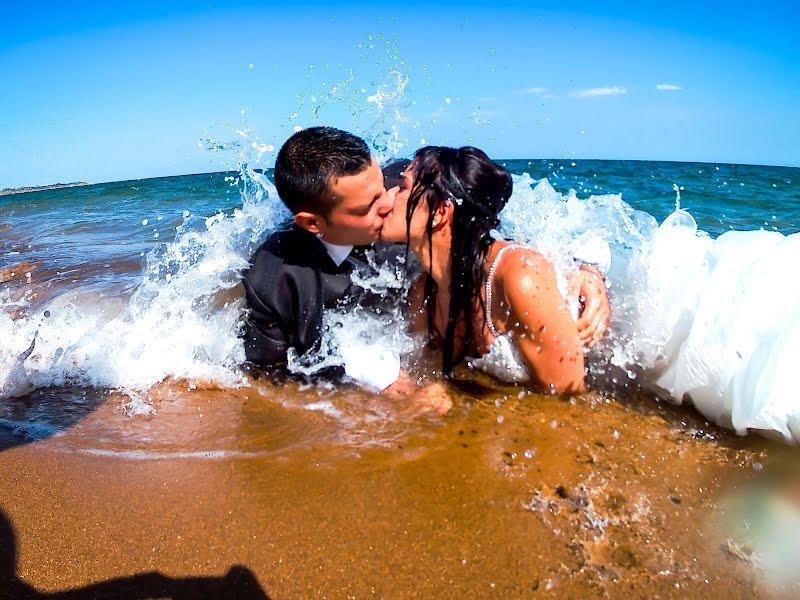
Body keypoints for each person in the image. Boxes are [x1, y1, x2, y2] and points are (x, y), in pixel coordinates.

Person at [242, 127, 608, 392]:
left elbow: (489, 225)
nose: (386, 200)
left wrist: (587, 270)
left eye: (386, 186)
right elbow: (270, 380)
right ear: (313, 223)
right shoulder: (273, 277)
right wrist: (365, 377)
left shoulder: (413, 192)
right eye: (369, 205)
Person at [379, 146, 605, 393]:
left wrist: (592, 274)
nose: (387, 196)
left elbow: (570, 399)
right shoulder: (423, 293)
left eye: (402, 188)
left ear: (440, 213)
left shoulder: (518, 278)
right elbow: (425, 371)